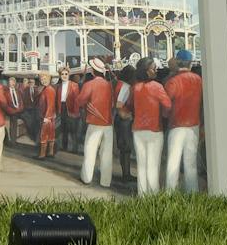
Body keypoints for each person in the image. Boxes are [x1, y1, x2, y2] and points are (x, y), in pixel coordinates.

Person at [128, 58, 173, 195]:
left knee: (141, 164)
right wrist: (163, 115)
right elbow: (168, 105)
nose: (156, 70)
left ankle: (142, 194)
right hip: (154, 129)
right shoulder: (157, 87)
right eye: (153, 68)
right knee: (153, 165)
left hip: (138, 129)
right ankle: (153, 195)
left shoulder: (135, 88)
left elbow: (130, 106)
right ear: (147, 71)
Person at [72, 59, 117, 188]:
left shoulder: (89, 84)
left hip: (94, 123)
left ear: (92, 70)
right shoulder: (109, 85)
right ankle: (105, 181)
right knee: (107, 154)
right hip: (108, 124)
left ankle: (86, 178)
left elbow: (80, 101)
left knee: (90, 151)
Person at [164, 49, 203, 192]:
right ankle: (193, 193)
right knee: (190, 163)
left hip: (176, 125)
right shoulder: (198, 80)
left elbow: (166, 107)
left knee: (173, 161)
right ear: (190, 63)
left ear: (177, 62)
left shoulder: (172, 82)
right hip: (194, 125)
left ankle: (170, 194)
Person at [37, 72, 60, 158]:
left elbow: (50, 105)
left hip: (47, 117)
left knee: (44, 135)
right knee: (50, 135)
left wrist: (46, 117)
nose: (43, 81)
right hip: (50, 117)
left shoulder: (48, 90)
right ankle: (50, 152)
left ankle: (42, 155)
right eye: (42, 79)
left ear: (49, 79)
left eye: (45, 79)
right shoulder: (47, 89)